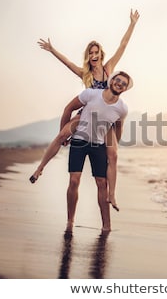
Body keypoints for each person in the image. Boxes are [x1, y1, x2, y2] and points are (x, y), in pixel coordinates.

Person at [30, 9, 140, 212]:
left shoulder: (109, 68)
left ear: (101, 54)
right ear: (88, 57)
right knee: (63, 133)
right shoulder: (85, 73)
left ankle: (112, 194)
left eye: (97, 53)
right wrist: (53, 50)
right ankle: (39, 169)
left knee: (114, 154)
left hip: (105, 119)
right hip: (87, 113)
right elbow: (68, 63)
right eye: (91, 53)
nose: (94, 56)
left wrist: (132, 24)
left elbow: (122, 46)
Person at [61, 71, 132, 233]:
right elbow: (69, 108)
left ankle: (106, 226)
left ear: (125, 89)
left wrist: (113, 146)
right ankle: (70, 221)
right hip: (80, 140)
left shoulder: (122, 108)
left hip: (99, 144)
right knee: (74, 181)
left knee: (102, 183)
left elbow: (119, 127)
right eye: (118, 80)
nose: (119, 83)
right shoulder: (91, 94)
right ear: (112, 80)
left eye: (124, 83)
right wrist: (63, 134)